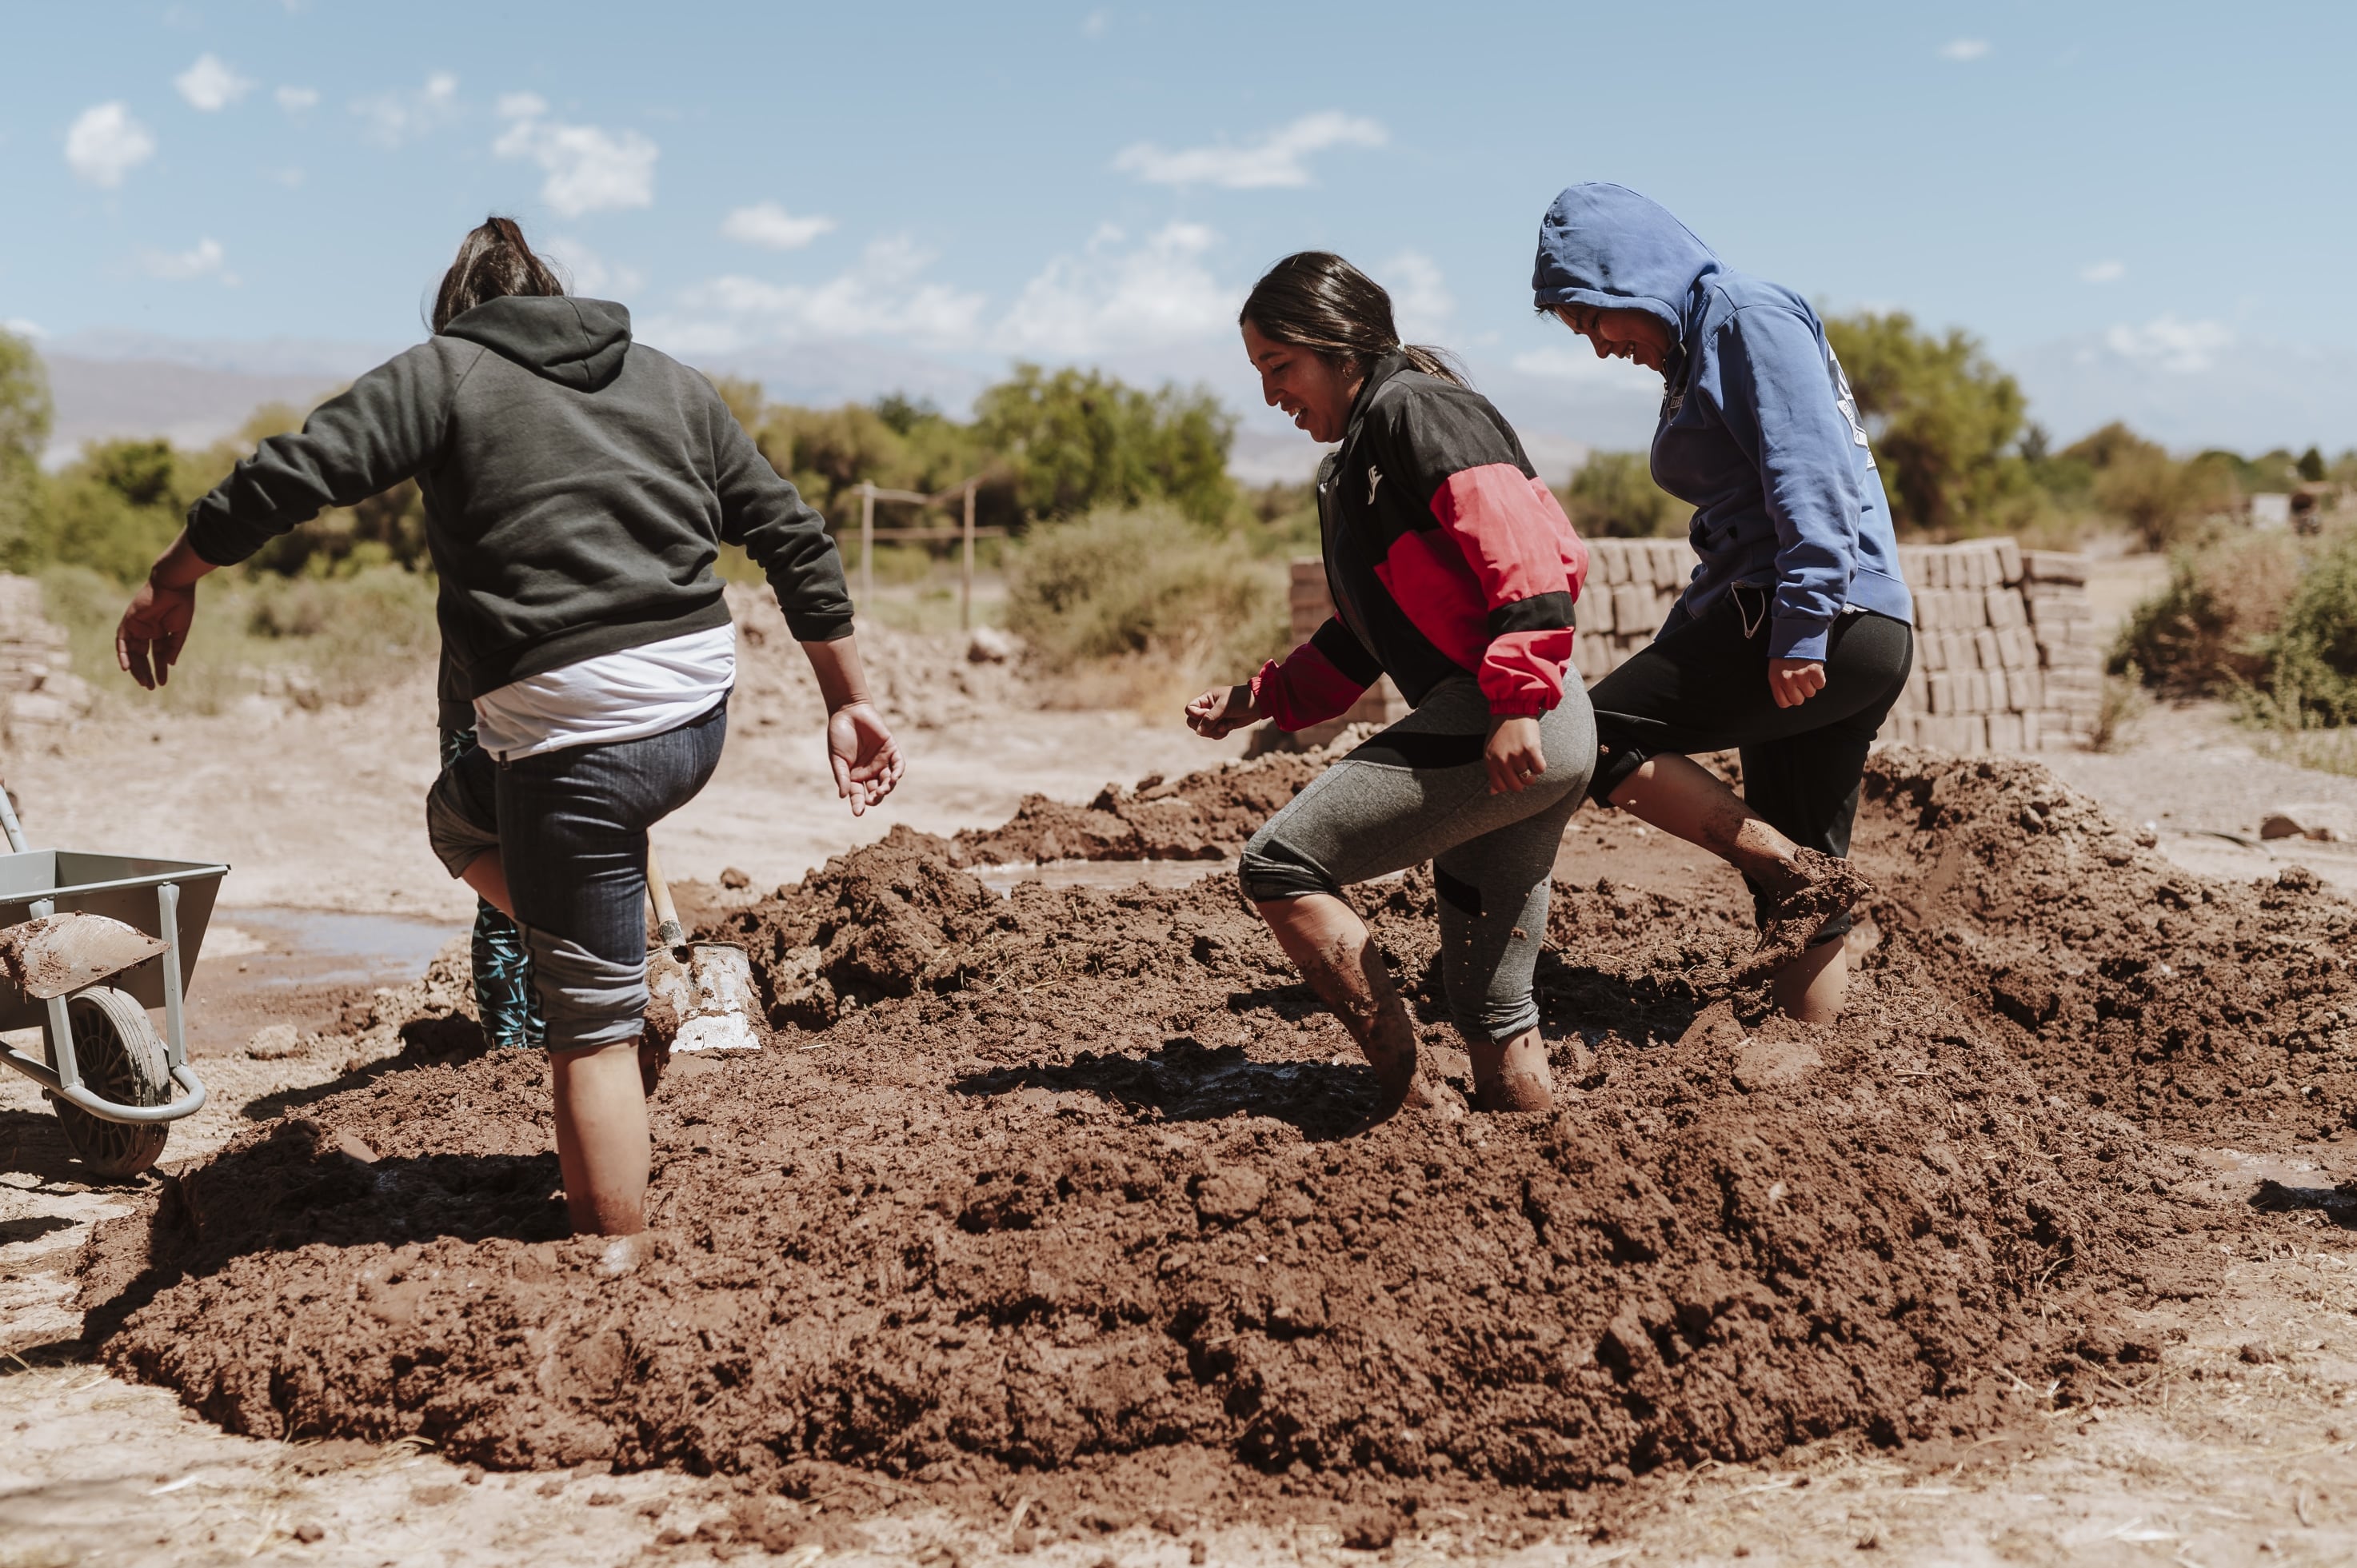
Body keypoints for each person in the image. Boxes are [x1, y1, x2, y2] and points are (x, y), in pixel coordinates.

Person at [113, 216, 903, 1235]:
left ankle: (612, 1261)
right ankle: (614, 956)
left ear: (459, 313)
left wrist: (174, 576)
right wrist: (848, 698)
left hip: (572, 734)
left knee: (588, 1033)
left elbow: (290, 474)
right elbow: (791, 532)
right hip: (694, 711)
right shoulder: (668, 379)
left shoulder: (446, 372)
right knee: (461, 821)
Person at [1187, 253, 1595, 1121]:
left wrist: (1517, 700)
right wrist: (1259, 698)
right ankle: (1533, 1151)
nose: (1271, 396)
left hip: (1510, 723)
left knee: (1279, 864)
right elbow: (1362, 633)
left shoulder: (1419, 409)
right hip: (1527, 736)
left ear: (1340, 347)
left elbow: (1522, 547)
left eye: (1279, 367)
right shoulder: (1364, 454)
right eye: (1259, 373)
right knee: (1488, 999)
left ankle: (1411, 1105)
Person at [1531, 182, 1916, 1021]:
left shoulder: (1743, 314)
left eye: (1596, 319)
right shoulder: (1704, 340)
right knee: (1800, 857)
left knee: (1588, 736)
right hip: (1835, 619)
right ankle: (1812, 1059)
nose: (1599, 347)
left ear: (1628, 275)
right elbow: (1735, 523)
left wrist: (1804, 622)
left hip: (1816, 614)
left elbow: (1810, 473)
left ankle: (1791, 873)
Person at [439, 649, 543, 1051]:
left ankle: (543, 1047)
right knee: (503, 894)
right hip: (485, 709)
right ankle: (509, 1061)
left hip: (558, 708)